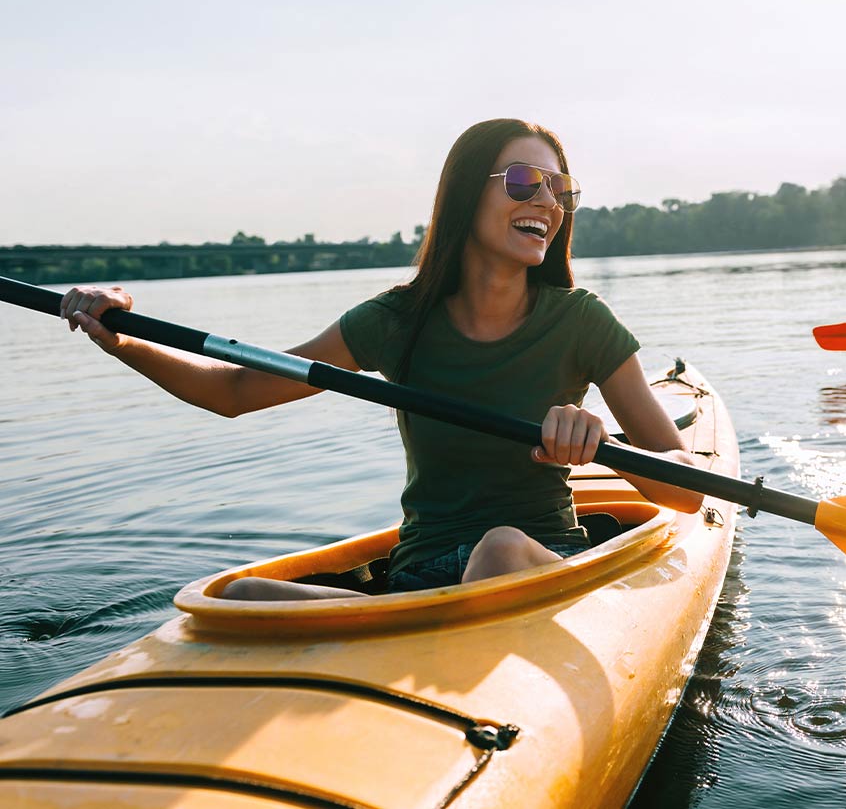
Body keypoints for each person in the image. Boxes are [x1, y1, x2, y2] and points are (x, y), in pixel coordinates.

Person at [59, 118, 703, 600]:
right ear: (465, 194)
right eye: (524, 181)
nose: (548, 202)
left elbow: (685, 489)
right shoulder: (395, 320)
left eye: (561, 189)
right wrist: (122, 339)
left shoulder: (582, 321)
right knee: (241, 594)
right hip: (418, 576)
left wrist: (599, 444)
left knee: (500, 549)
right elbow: (233, 391)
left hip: (535, 560)